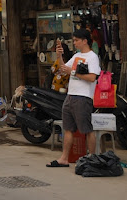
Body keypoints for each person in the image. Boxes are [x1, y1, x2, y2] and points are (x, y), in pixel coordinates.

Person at [47, 29, 101, 168]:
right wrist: (59, 56)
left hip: (83, 97)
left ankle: (92, 158)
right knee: (68, 129)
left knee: (87, 129)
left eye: (76, 40)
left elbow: (92, 77)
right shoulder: (77, 55)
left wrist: (73, 73)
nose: (75, 43)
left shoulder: (92, 57)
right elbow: (64, 68)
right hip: (71, 95)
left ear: (84, 41)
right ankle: (64, 158)